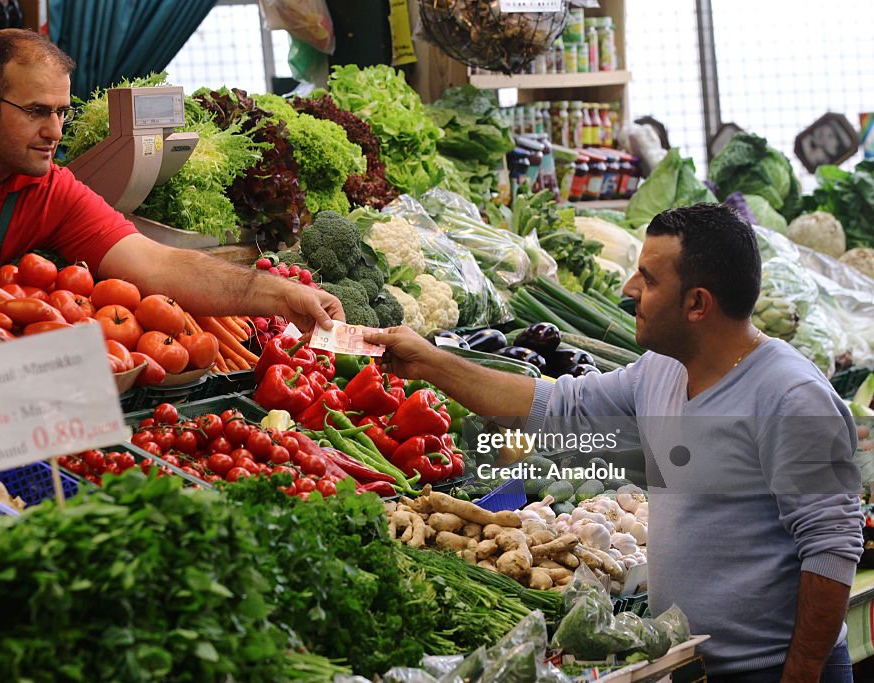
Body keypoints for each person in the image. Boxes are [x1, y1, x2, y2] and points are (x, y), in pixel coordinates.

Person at [367, 203, 862, 682]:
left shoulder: (792, 397)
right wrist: (426, 362)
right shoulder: (662, 372)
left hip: (775, 671)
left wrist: (800, 676)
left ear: (697, 303)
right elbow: (550, 407)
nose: (630, 289)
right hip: (693, 664)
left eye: (648, 278)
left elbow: (831, 550)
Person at [0, 29, 342, 332]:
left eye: (62, 112)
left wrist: (280, 294)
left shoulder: (49, 190)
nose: (55, 132)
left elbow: (159, 264)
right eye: (37, 112)